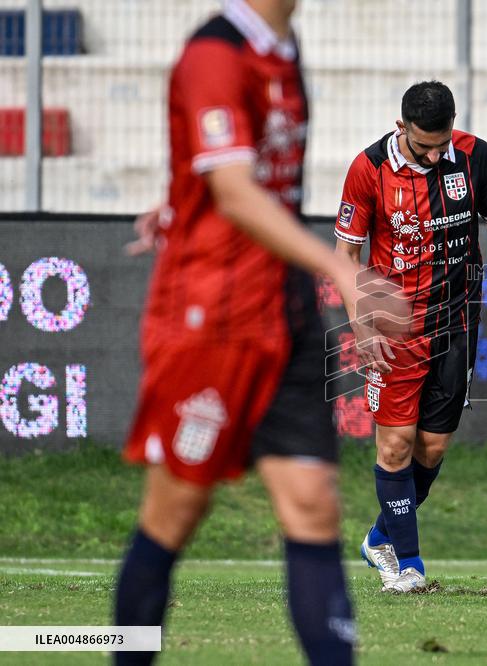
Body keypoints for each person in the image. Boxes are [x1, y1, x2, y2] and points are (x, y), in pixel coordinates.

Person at [113, 1, 396, 663]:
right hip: (212, 321)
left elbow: (238, 168)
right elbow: (235, 192)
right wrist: (341, 268)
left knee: (314, 504)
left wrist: (180, 200)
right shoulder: (215, 53)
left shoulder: (283, 44)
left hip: (283, 312)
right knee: (175, 513)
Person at [334, 81, 487, 593]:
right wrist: (361, 325)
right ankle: (409, 566)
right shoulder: (368, 169)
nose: (437, 155)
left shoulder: (476, 156)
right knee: (395, 446)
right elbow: (345, 256)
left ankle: (379, 537)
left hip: (458, 321)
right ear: (402, 127)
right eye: (425, 146)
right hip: (394, 327)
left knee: (433, 448)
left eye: (442, 144)